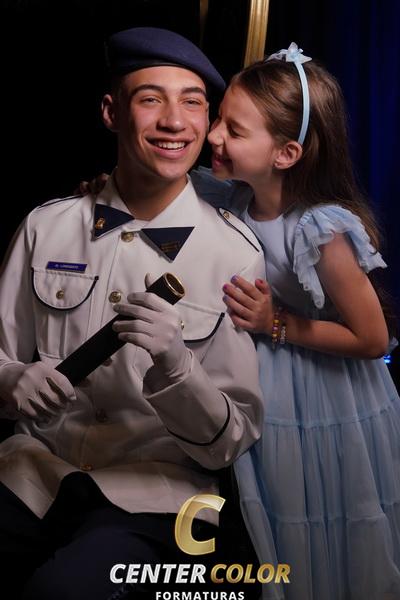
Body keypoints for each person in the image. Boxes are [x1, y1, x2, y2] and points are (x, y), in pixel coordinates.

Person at [0, 27, 266, 600]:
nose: (175, 121)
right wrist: (10, 379)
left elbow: (231, 438)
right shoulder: (45, 226)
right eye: (151, 99)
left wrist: (177, 366)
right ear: (111, 112)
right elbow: (1, 355)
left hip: (161, 495)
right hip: (31, 473)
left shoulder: (236, 254)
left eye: (192, 102)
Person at [205, 43, 400, 600]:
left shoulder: (319, 230)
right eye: (218, 119)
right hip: (261, 378)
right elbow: (156, 190)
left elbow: (374, 338)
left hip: (323, 393)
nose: (214, 135)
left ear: (286, 153)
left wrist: (278, 323)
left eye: (234, 130)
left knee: (316, 514)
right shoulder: (231, 197)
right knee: (266, 515)